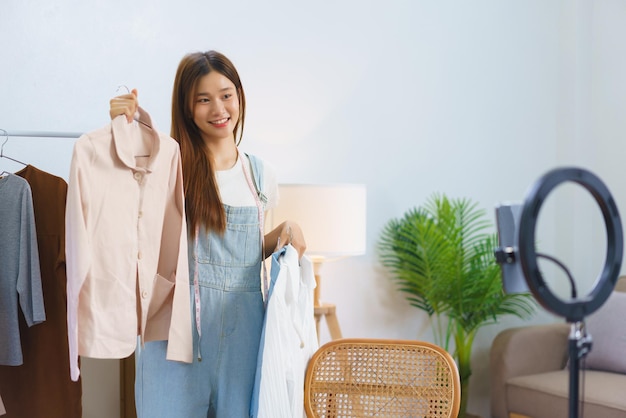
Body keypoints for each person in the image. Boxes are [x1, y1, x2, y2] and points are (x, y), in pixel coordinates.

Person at [109, 50, 306, 418]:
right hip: (176, 336)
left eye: (226, 95)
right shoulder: (167, 165)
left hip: (243, 336)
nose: (218, 108)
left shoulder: (261, 175)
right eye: (203, 99)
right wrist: (124, 127)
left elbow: (240, 257)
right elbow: (122, 200)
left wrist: (284, 232)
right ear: (187, 107)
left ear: (239, 96)